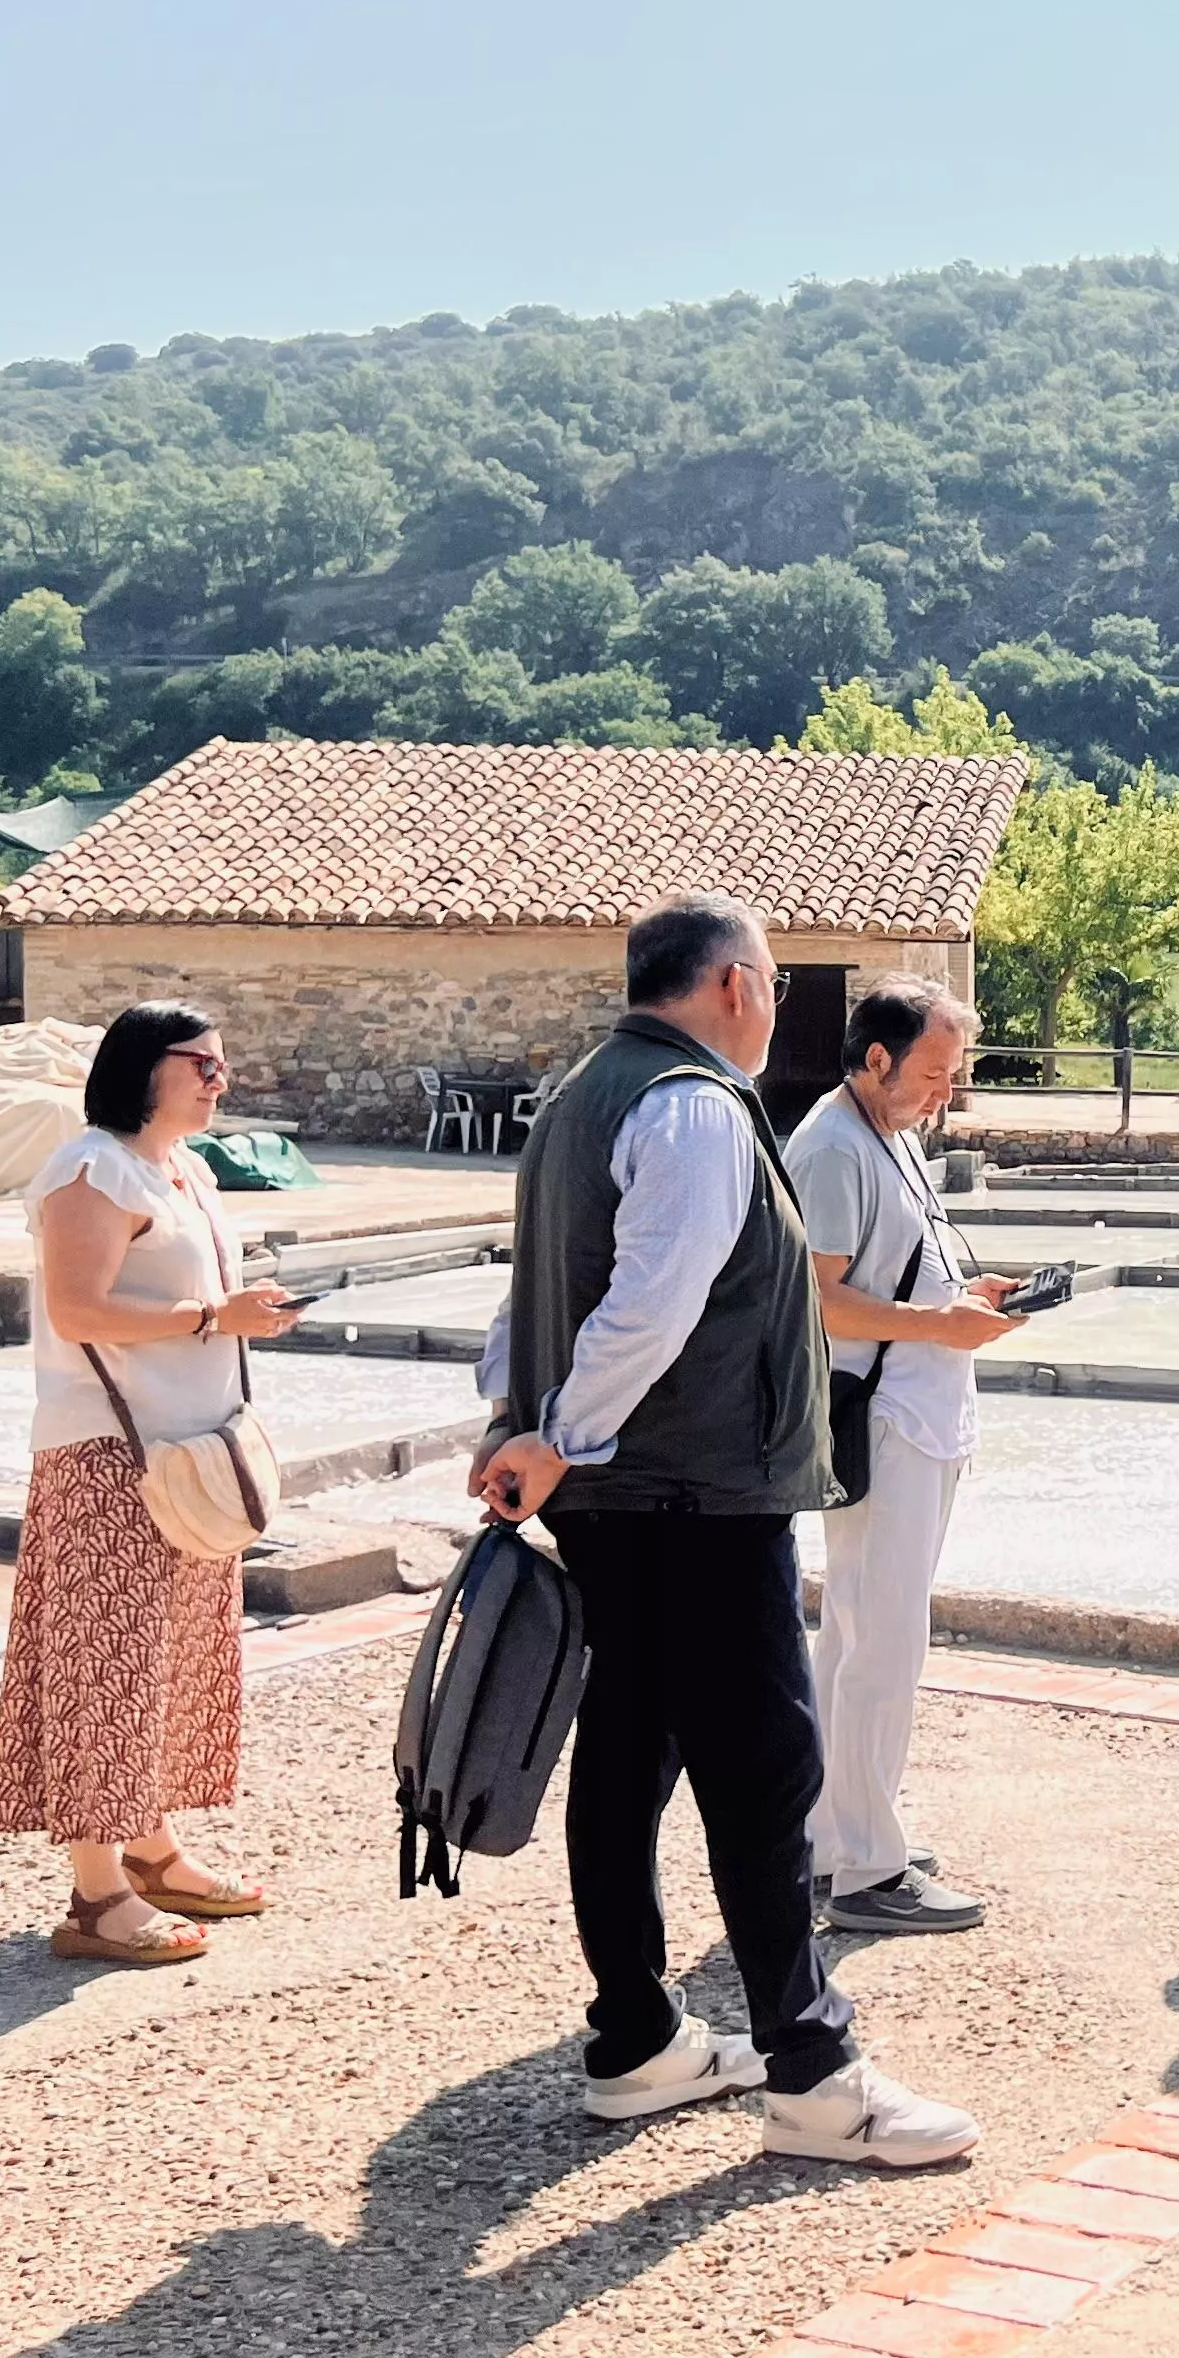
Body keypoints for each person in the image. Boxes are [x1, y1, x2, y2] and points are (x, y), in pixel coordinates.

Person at [475, 894, 980, 2168]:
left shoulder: (582, 1093)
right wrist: (559, 1431)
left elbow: (534, 1284)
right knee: (765, 1774)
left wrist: (518, 1421)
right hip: (694, 1491)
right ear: (738, 987)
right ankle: (814, 2075)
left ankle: (639, 2040)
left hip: (619, 1493)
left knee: (628, 1755)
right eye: (765, 986)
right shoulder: (697, 1107)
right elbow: (650, 1302)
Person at [0, 1002, 301, 1963]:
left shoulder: (187, 1169)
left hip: (188, 1452)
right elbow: (78, 1307)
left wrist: (238, 1315)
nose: (219, 1078)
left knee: (171, 1660)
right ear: (142, 1066)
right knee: (106, 1669)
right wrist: (215, 1316)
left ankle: (155, 1849)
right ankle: (94, 1895)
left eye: (222, 1062)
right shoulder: (93, 1167)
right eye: (200, 1063)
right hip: (107, 1456)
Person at [786, 978, 1021, 1939]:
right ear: (875, 1059)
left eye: (951, 1075)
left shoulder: (888, 1133)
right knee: (880, 1640)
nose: (943, 1092)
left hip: (913, 1408)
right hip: (883, 1418)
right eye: (931, 1073)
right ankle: (867, 1870)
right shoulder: (835, 1148)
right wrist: (940, 1323)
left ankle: (840, 1835)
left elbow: (894, 1272)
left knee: (857, 1631)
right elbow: (820, 1297)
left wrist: (966, 1293)